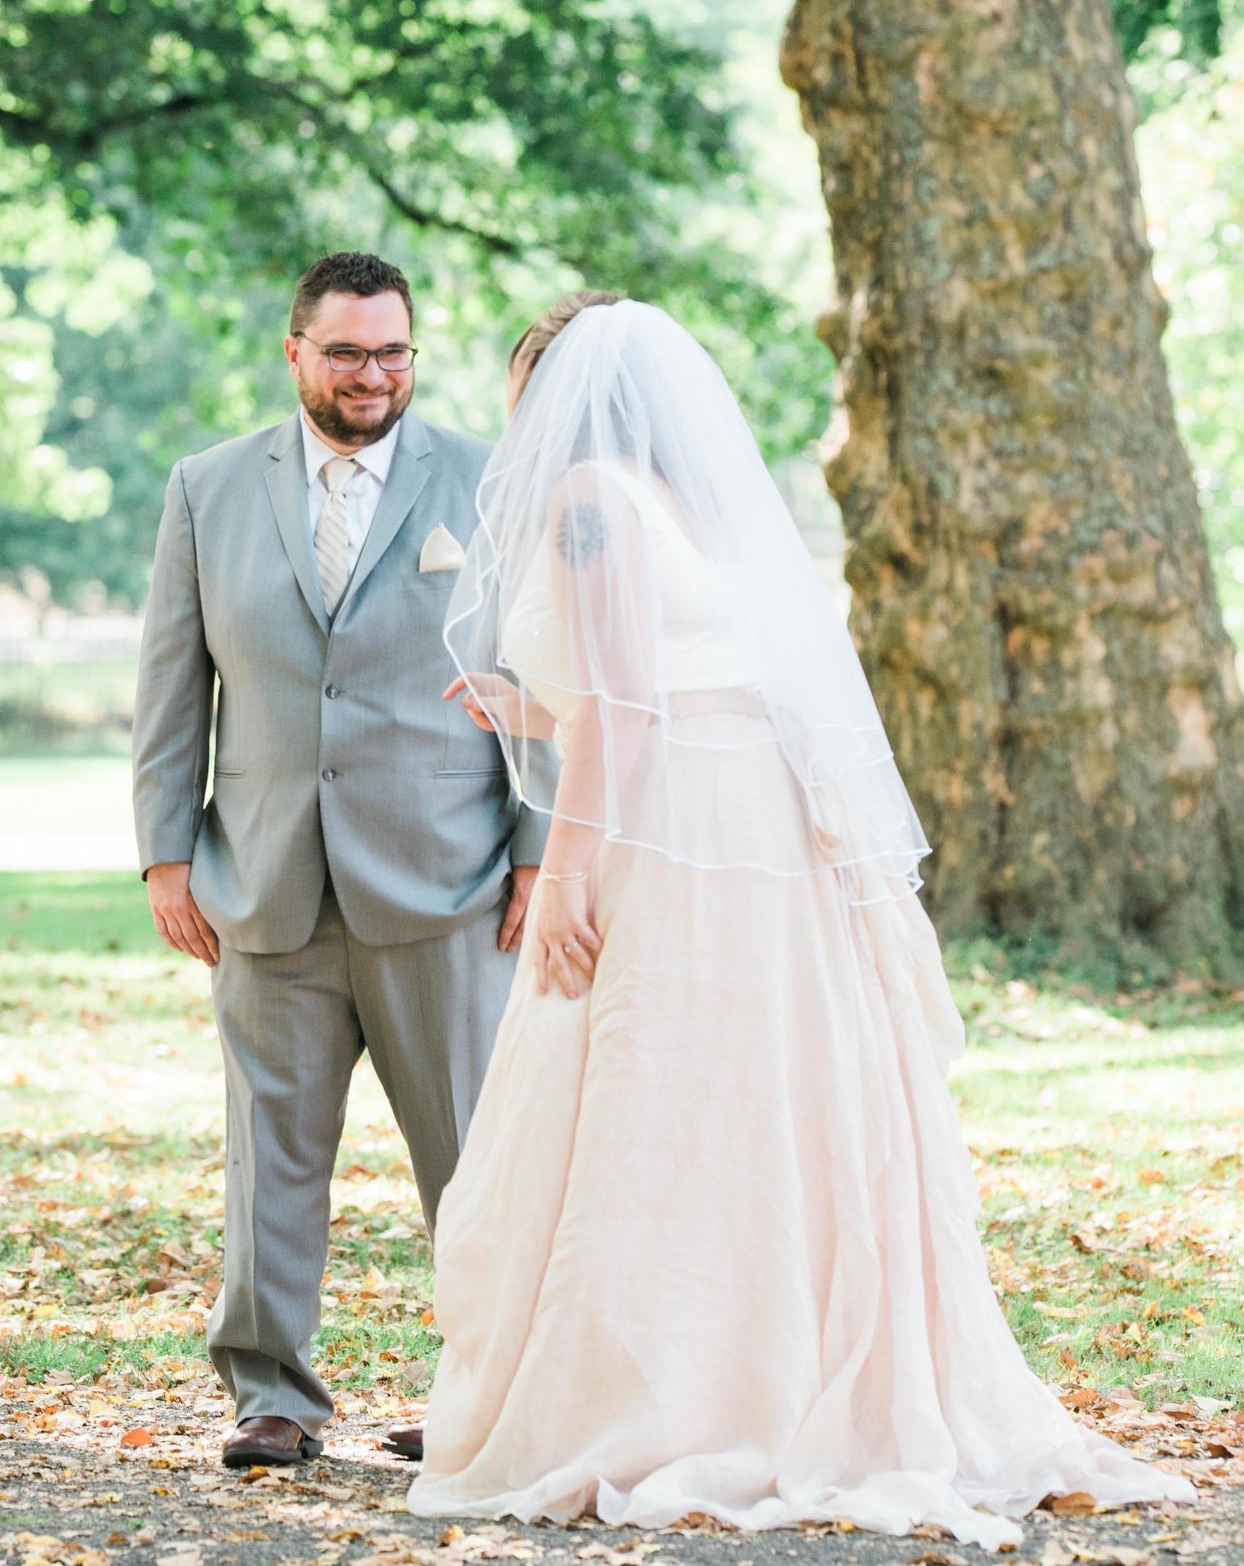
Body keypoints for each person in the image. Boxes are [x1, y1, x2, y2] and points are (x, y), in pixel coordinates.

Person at [405, 295, 1195, 1549]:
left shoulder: (590, 502)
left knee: (649, 1078)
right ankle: (772, 1364)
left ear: (554, 395)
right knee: (753, 1085)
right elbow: (667, 681)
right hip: (753, 820)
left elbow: (631, 712)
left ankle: (669, 1389)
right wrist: (525, 709)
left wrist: (564, 872)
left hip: (679, 829)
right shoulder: (693, 510)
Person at [131, 252, 553, 1469]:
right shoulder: (207, 489)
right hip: (263, 879)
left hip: (451, 880)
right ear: (295, 354)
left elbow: (544, 679)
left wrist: (536, 847)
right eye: (348, 353)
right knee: (271, 1155)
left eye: (394, 353)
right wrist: (166, 853)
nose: (373, 376)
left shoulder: (485, 483)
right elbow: (172, 685)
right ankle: (272, 1395)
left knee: (473, 1159)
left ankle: (489, 1395)